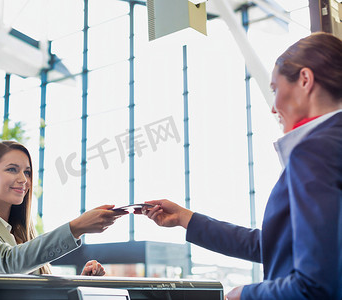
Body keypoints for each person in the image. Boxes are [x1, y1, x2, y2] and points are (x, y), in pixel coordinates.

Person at [140, 32, 342, 299]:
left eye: (275, 89)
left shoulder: (313, 151)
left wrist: (244, 294)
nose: (273, 107)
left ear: (305, 80)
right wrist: (185, 219)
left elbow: (316, 286)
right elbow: (278, 245)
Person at [0, 141, 127, 275]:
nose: (24, 180)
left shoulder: (23, 233)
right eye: (12, 169)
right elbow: (7, 262)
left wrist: (83, 282)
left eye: (27, 172)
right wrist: (76, 228)